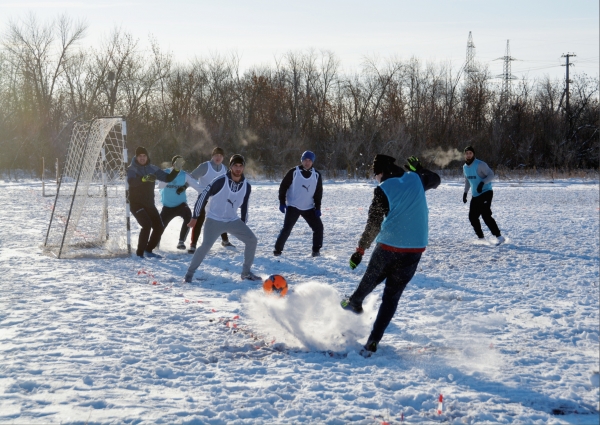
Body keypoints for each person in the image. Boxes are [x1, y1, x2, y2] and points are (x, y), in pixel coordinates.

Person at [340, 154, 441, 356]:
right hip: (416, 247)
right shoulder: (415, 178)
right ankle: (373, 341)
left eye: (374, 175)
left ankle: (355, 302)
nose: (375, 179)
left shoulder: (383, 189)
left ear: (380, 172)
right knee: (391, 297)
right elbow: (436, 179)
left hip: (390, 245)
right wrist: (420, 168)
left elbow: (373, 225)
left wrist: (360, 250)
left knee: (371, 277)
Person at [184, 154, 261, 282]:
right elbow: (203, 196)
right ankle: (189, 275)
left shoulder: (246, 186)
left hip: (232, 220)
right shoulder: (220, 181)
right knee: (205, 246)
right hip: (214, 220)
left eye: (240, 166)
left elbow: (245, 205)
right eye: (235, 166)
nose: (238, 168)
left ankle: (246, 273)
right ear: (230, 167)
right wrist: (195, 217)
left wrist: (243, 222)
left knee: (252, 240)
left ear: (243, 168)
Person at [127, 146, 178, 258]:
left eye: (144, 156)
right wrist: (143, 179)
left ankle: (148, 250)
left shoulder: (152, 169)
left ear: (147, 156)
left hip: (149, 204)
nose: (142, 158)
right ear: (136, 157)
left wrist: (176, 170)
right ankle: (139, 253)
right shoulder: (132, 169)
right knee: (147, 224)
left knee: (159, 226)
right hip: (136, 204)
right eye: (140, 156)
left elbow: (168, 178)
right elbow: (131, 182)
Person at [274, 150, 324, 257]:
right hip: (293, 206)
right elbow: (283, 187)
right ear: (302, 160)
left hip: (309, 207)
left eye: (310, 160)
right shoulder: (294, 172)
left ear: (313, 162)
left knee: (319, 228)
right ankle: (277, 250)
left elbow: (318, 193)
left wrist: (318, 208)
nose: (307, 162)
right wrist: (282, 202)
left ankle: (316, 251)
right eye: (305, 160)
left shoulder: (316, 175)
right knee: (287, 229)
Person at [188, 147, 233, 253]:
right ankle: (193, 244)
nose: (218, 157)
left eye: (220, 156)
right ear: (212, 156)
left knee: (221, 218)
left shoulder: (224, 169)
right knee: (199, 219)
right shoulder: (205, 166)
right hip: (203, 198)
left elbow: (228, 184)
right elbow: (191, 177)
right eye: (216, 155)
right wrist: (183, 187)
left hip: (217, 199)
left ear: (223, 158)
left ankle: (225, 241)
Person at [157, 155, 203, 250]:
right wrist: (170, 177)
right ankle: (155, 242)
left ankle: (181, 241)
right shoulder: (166, 172)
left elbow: (198, 187)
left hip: (181, 205)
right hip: (168, 206)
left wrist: (211, 193)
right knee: (160, 226)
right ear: (173, 164)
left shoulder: (184, 175)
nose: (179, 165)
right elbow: (160, 185)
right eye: (177, 163)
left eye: (181, 163)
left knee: (188, 217)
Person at [462, 146, 505, 245]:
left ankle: (499, 237)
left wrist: (482, 183)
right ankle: (481, 238)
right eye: (467, 153)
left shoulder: (480, 164)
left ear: (473, 154)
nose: (468, 155)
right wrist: (465, 193)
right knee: (472, 217)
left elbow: (491, 175)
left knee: (485, 215)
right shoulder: (464, 167)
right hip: (475, 194)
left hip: (486, 192)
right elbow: (467, 180)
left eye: (470, 153)